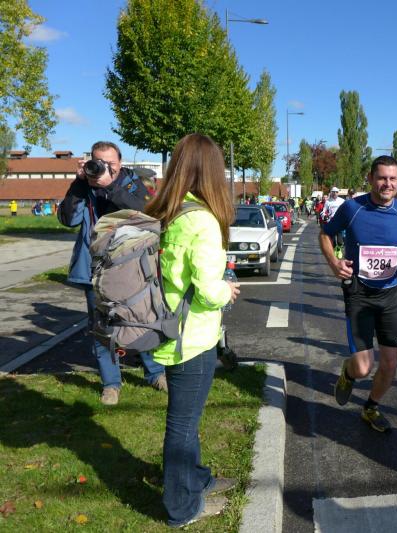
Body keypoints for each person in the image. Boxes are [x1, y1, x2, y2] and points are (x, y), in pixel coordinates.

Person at [145, 133, 241, 527]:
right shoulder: (203, 220)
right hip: (193, 337)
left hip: (171, 329)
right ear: (213, 172)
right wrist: (227, 290)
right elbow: (205, 289)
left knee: (188, 418)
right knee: (182, 424)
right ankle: (181, 507)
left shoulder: (171, 212)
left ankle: (197, 478)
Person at [58, 141, 166, 406]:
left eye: (111, 163)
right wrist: (79, 184)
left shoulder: (131, 182)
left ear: (120, 162)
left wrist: (109, 185)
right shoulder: (84, 186)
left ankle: (155, 373)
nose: (105, 168)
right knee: (101, 327)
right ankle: (111, 384)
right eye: (99, 162)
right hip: (95, 269)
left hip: (133, 267)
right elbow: (68, 219)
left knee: (142, 319)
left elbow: (146, 212)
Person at [320, 155, 397, 433]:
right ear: (370, 179)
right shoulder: (353, 207)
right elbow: (325, 234)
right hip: (359, 294)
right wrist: (334, 262)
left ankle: (371, 407)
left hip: (390, 295)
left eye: (393, 179)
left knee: (391, 363)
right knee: (363, 368)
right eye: (382, 178)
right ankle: (349, 371)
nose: (388, 184)